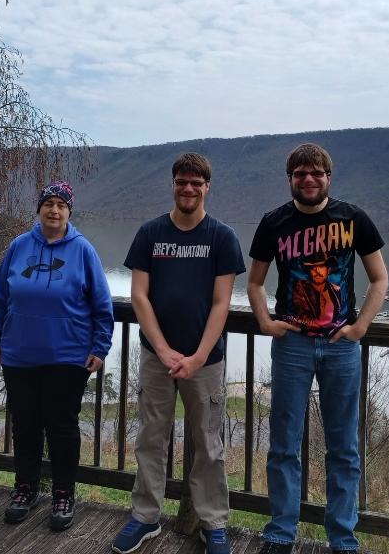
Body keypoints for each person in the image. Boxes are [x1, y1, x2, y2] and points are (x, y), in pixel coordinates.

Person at [247, 144, 388, 554]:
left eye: (316, 173)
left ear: (329, 177)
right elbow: (254, 282)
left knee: (343, 446)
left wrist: (360, 326)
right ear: (290, 178)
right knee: (283, 444)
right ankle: (280, 533)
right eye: (300, 173)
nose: (308, 179)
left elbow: (379, 278)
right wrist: (265, 322)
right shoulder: (274, 223)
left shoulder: (353, 218)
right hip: (292, 345)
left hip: (340, 347)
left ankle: (342, 538)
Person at [112, 153, 245, 554]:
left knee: (208, 442)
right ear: (173, 184)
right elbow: (139, 296)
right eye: (182, 181)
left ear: (207, 187)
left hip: (206, 361)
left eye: (196, 182)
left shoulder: (221, 237)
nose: (189, 188)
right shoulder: (150, 233)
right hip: (156, 357)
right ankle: (145, 516)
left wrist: (199, 355)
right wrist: (166, 349)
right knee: (151, 436)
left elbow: (222, 303)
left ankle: (213, 523)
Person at [0, 180, 114, 531]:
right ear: (39, 209)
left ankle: (63, 494)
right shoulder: (18, 247)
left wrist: (99, 347)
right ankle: (25, 488)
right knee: (24, 425)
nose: (54, 210)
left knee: (61, 427)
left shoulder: (83, 251)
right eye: (48, 203)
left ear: (69, 211)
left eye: (61, 204)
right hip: (19, 353)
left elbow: (102, 306)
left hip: (68, 356)